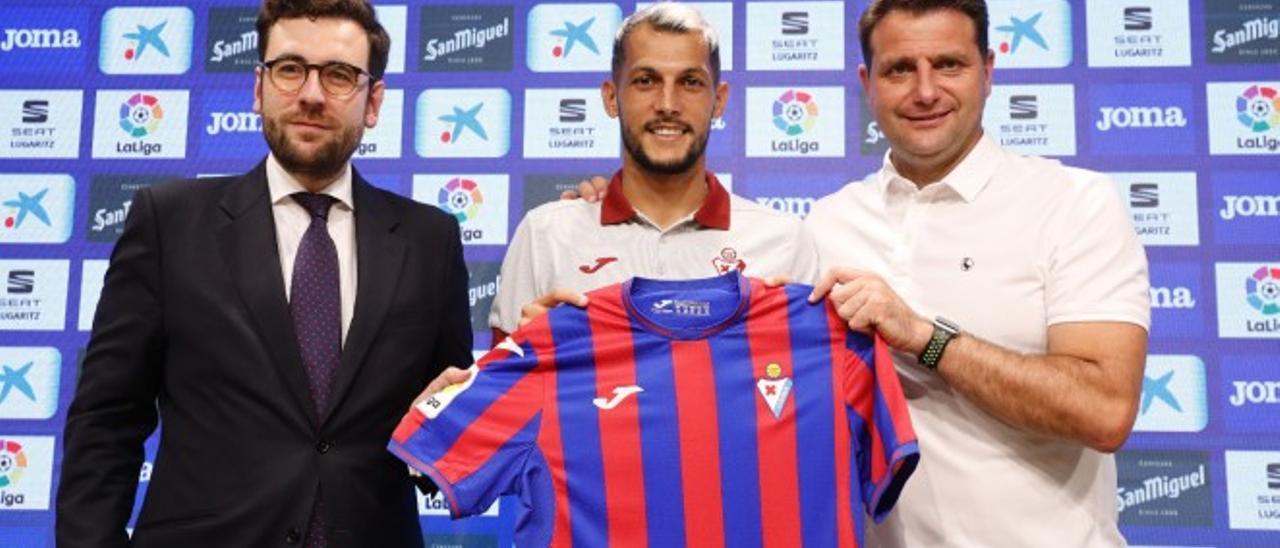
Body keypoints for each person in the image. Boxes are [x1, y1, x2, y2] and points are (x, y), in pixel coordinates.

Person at [56, 0, 472, 546]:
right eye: (290, 68)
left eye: (340, 75)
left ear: (374, 102)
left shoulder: (430, 240)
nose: (311, 94)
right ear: (259, 88)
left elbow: (447, 432)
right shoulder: (169, 222)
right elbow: (106, 422)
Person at [803, 0, 1151, 545]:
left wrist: (924, 337)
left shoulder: (1074, 203)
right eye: (900, 69)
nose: (924, 91)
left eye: (948, 64)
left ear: (988, 71)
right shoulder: (826, 223)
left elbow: (1105, 410)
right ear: (867, 83)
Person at [484, 2, 819, 344]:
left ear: (719, 100)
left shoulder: (785, 242)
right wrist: (522, 351)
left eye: (690, 82)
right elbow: (495, 390)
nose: (668, 104)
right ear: (612, 98)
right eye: (646, 81)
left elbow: (813, 382)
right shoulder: (545, 236)